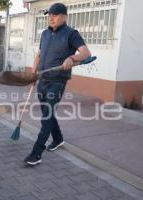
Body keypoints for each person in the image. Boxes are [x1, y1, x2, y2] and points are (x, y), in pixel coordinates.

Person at [24, 3, 91, 166]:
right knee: (48, 112)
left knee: (46, 117)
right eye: (49, 15)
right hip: (42, 79)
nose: (51, 18)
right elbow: (39, 55)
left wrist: (72, 58)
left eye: (54, 15)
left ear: (64, 16)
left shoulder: (71, 34)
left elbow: (86, 53)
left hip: (57, 81)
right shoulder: (45, 34)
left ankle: (36, 153)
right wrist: (34, 74)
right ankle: (58, 139)